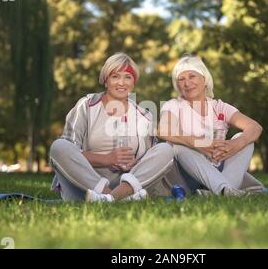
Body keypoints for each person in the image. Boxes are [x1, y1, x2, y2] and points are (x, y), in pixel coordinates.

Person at [49, 52, 174, 202]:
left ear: (133, 83)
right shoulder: (87, 105)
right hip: (85, 186)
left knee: (165, 150)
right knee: (59, 146)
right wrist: (108, 159)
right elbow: (71, 152)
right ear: (105, 80)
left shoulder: (144, 116)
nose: (121, 83)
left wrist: (135, 162)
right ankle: (113, 197)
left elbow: (148, 162)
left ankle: (110, 198)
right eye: (115, 76)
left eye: (127, 77)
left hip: (126, 184)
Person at [158, 54, 265, 196]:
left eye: (192, 76)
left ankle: (223, 191)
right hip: (185, 175)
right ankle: (223, 189)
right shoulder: (173, 105)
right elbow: (163, 130)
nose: (187, 83)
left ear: (205, 80)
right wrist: (199, 143)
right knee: (179, 147)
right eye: (181, 79)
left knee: (244, 139)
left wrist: (235, 145)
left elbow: (255, 127)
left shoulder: (219, 107)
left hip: (217, 167)